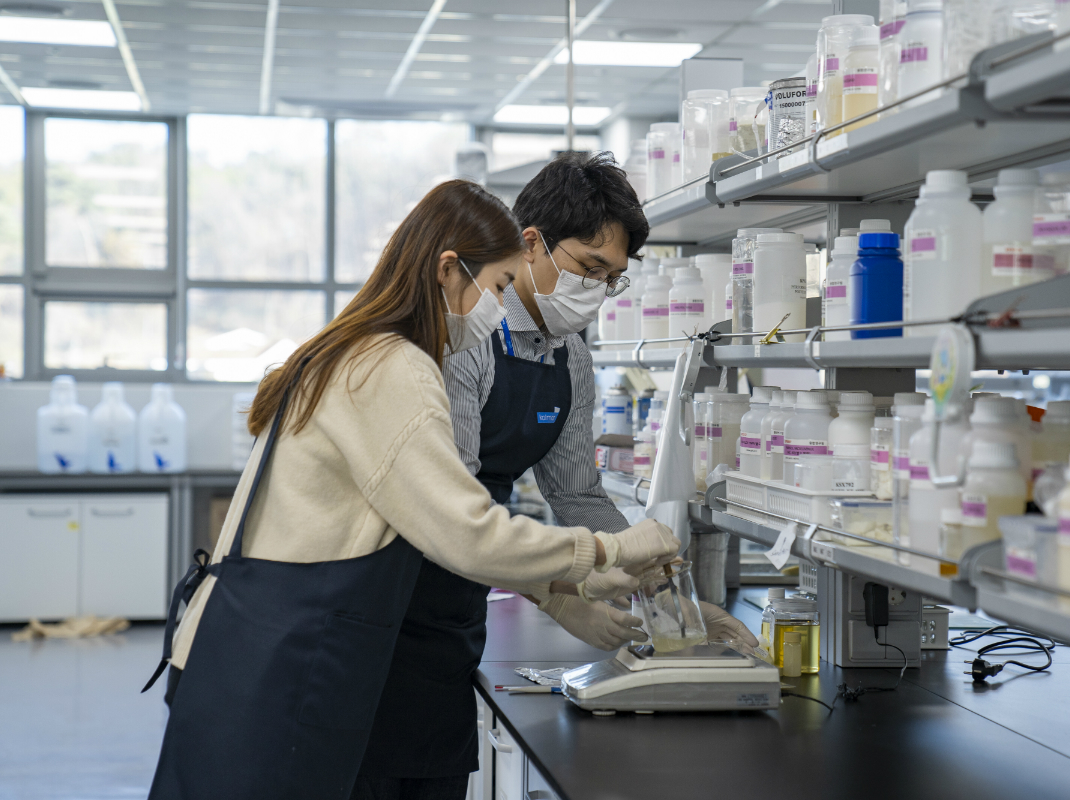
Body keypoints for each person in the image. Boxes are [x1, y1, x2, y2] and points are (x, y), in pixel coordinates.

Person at [144, 179, 679, 800]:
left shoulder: (355, 349)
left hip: (276, 643)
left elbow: (460, 521)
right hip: (297, 656)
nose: (499, 306)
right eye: (499, 286)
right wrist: (602, 558)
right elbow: (463, 529)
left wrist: (592, 585)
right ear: (450, 270)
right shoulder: (392, 366)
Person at [355, 153, 758, 800]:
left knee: (433, 770)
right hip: (393, 596)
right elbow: (454, 510)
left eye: (613, 278)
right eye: (589, 268)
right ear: (532, 244)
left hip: (461, 603)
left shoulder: (571, 357)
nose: (597, 291)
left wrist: (666, 597)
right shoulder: (464, 336)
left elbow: (576, 493)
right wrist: (562, 597)